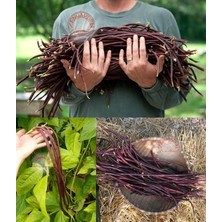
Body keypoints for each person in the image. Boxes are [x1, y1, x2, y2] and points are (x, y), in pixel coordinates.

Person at [52, 0, 187, 117]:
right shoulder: (67, 18)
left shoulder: (162, 18)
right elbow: (58, 95)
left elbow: (176, 95)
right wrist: (81, 86)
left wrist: (150, 83)